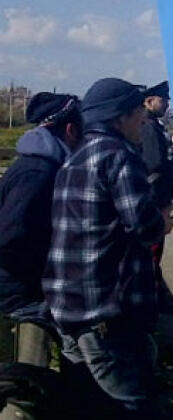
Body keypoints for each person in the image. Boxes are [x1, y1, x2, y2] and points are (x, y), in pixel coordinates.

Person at [44, 78, 172, 418]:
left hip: (70, 307)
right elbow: (144, 226)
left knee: (87, 405)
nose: (142, 119)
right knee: (133, 404)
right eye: (137, 112)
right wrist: (163, 220)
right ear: (120, 117)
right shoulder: (119, 157)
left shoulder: (74, 159)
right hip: (107, 314)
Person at [0, 93, 81, 371]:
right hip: (21, 296)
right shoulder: (39, 173)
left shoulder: (37, 163)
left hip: (23, 290)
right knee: (28, 374)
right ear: (70, 130)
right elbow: (11, 238)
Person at [140, 81, 173, 313]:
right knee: (153, 250)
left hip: (157, 196)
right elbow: (155, 164)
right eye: (162, 100)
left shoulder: (154, 125)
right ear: (149, 101)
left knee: (155, 250)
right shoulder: (148, 127)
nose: (166, 104)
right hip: (155, 198)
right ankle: (154, 296)